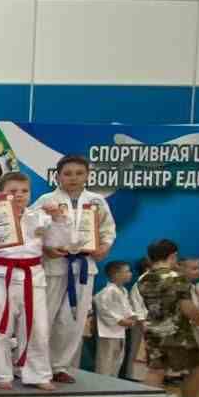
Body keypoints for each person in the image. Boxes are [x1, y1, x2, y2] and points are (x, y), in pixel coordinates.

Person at [0, 171, 70, 390]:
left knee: (38, 327)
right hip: (0, 274)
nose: (19, 195)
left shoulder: (40, 217)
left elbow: (60, 244)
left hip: (33, 275)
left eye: (24, 191)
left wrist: (59, 219)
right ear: (1, 193)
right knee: (0, 327)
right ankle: (2, 374)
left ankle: (37, 374)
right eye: (13, 191)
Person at [35, 156, 117, 383]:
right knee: (44, 317)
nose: (73, 178)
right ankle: (37, 365)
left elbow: (108, 230)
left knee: (74, 319)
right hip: (53, 265)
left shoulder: (97, 201)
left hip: (83, 266)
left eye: (79, 173)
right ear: (58, 176)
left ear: (87, 175)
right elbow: (32, 229)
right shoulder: (46, 200)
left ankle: (61, 366)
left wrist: (104, 248)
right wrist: (45, 248)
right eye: (67, 173)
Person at [137, 239, 199, 397]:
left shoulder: (143, 278)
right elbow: (186, 306)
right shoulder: (177, 278)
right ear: (173, 255)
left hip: (153, 330)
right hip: (176, 331)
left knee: (156, 370)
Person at [94, 261, 141, 377]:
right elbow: (101, 305)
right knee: (105, 361)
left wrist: (133, 316)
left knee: (117, 361)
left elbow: (126, 308)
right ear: (116, 275)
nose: (130, 274)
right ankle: (101, 384)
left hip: (119, 332)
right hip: (107, 332)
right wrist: (119, 320)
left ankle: (112, 383)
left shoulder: (123, 290)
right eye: (127, 271)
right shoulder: (108, 291)